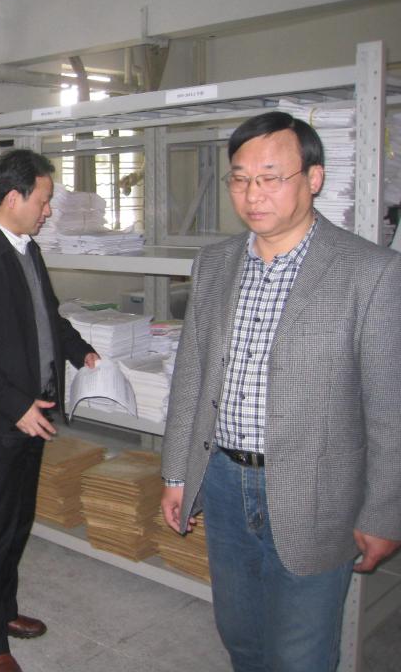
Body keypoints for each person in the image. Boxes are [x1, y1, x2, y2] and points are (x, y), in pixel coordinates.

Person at [160, 111, 401, 672]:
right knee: (240, 636)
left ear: (313, 178)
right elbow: (191, 373)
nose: (253, 194)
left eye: (271, 178)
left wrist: (384, 514)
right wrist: (176, 473)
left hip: (318, 492)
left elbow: (391, 410)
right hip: (223, 480)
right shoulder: (215, 262)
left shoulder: (371, 272)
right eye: (240, 179)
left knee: (300, 653)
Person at [0, 149, 99, 672]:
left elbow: (45, 314)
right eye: (43, 200)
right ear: (14, 198)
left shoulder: (26, 248)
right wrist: (15, 407)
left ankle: (3, 609)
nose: (48, 211)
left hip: (35, 410)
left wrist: (79, 351)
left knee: (17, 522)